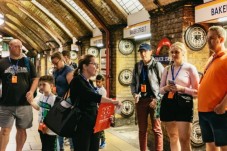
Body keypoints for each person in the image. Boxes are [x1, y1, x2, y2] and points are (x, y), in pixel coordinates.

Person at [70, 54, 121, 151]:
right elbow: (94, 97)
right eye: (94, 64)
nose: (97, 67)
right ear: (85, 66)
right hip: (82, 126)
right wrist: (113, 102)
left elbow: (94, 105)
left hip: (93, 125)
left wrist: (106, 117)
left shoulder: (89, 82)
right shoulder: (77, 81)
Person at [159, 42, 199, 151]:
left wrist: (182, 89)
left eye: (177, 52)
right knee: (173, 137)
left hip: (184, 104)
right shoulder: (167, 69)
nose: (174, 55)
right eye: (172, 52)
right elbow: (160, 90)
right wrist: (167, 88)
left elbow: (197, 92)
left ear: (183, 53)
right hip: (169, 103)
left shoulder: (190, 68)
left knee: (184, 139)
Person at [0, 39, 39, 151]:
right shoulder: (2, 62)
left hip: (24, 103)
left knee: (21, 130)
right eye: (16, 46)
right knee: (5, 130)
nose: (19, 48)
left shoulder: (27, 62)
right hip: (6, 103)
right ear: (10, 47)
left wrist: (31, 91)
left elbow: (35, 78)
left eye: (20, 46)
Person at [198, 26, 227, 151]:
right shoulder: (212, 58)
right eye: (207, 38)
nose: (208, 41)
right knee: (210, 143)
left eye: (211, 38)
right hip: (204, 111)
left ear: (221, 39)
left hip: (219, 111)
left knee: (224, 145)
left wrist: (223, 105)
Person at [130, 43, 164, 151]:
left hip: (155, 100)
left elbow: (164, 85)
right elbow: (133, 83)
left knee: (157, 129)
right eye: (141, 52)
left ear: (151, 52)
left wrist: (157, 99)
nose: (143, 54)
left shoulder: (157, 65)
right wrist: (135, 94)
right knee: (142, 130)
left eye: (145, 51)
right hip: (141, 101)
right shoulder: (137, 66)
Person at [51, 52, 74, 151]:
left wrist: (65, 101)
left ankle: (73, 147)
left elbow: (72, 88)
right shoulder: (56, 71)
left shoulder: (69, 70)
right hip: (58, 99)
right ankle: (60, 148)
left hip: (67, 101)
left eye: (56, 63)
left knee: (68, 126)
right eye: (53, 64)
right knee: (58, 126)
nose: (55, 65)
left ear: (62, 59)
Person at [35, 75, 57, 151]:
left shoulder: (54, 99)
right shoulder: (41, 97)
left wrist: (47, 126)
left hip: (50, 130)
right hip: (41, 127)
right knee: (44, 147)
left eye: (44, 84)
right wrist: (30, 101)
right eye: (40, 84)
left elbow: (54, 116)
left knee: (50, 147)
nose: (41, 86)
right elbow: (38, 107)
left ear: (51, 85)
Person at [95, 74, 107, 149]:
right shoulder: (95, 88)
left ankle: (103, 141)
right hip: (96, 109)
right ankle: (98, 141)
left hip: (100, 110)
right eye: (96, 81)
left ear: (103, 82)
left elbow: (103, 101)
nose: (97, 83)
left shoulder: (103, 91)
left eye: (99, 82)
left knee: (101, 128)